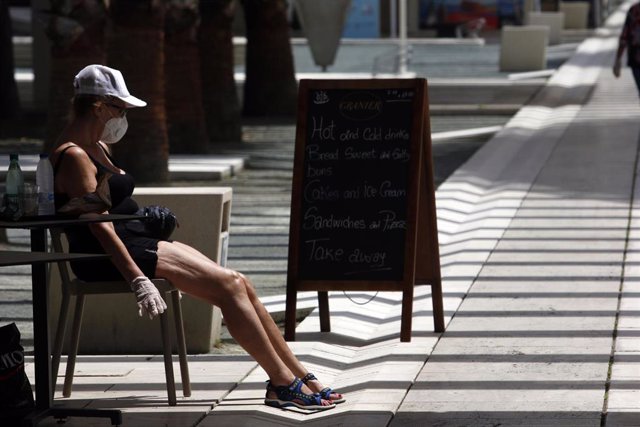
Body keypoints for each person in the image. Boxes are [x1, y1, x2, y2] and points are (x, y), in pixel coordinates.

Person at [51, 64, 345, 411]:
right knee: (228, 287)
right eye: (120, 109)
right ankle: (282, 383)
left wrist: (148, 216)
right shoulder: (73, 156)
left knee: (239, 282)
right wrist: (138, 280)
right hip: (109, 255)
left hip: (137, 238)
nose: (123, 117)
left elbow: (113, 202)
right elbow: (97, 225)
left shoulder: (97, 146)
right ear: (99, 106)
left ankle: (299, 375)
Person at [614, 1, 640, 95]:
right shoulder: (634, 10)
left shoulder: (634, 10)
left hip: (636, 59)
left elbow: (624, 37)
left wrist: (618, 59)